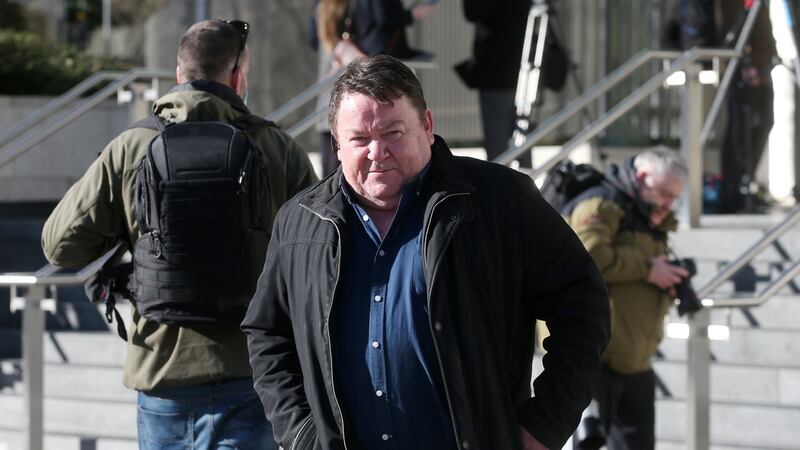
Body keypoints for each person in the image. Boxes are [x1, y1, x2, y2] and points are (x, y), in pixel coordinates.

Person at [241, 55, 610, 450]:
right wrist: (301, 434)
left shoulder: (497, 201)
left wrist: (544, 425)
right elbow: (268, 334)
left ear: (428, 127)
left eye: (393, 133)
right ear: (336, 144)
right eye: (359, 139)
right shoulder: (300, 223)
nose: (376, 151)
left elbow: (582, 302)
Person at [41, 19, 318, 450]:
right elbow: (317, 258)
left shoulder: (133, 148)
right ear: (238, 76)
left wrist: (129, 233)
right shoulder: (277, 148)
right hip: (254, 373)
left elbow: (59, 245)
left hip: (163, 375)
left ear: (178, 75)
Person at [563, 148, 690, 450]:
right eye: (664, 193)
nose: (669, 204)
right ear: (642, 177)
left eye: (675, 198)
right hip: (595, 359)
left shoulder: (648, 215)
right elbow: (587, 257)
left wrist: (666, 282)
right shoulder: (602, 203)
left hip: (635, 359)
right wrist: (647, 268)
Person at [310, 0, 435, 177]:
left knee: (335, 167)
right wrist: (412, 14)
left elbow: (313, 39)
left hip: (331, 74)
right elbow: (384, 16)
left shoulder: (322, 7)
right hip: (365, 73)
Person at [716, 0, 777, 213]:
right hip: (740, 69)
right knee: (739, 130)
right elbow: (732, 28)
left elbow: (761, 28)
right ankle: (733, 190)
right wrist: (746, 64)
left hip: (761, 65)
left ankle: (745, 183)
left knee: (764, 121)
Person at [456, 0, 532, 166]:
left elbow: (473, 11)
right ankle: (525, 185)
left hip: (498, 70)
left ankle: (503, 187)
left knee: (498, 142)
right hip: (525, 66)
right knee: (522, 131)